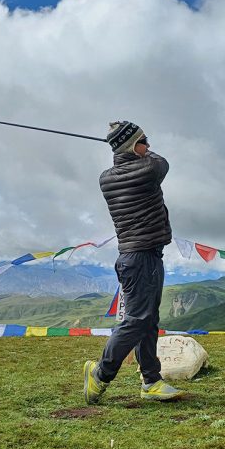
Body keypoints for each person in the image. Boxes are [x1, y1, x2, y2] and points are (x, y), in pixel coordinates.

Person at [83, 121, 184, 403]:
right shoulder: (149, 168)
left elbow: (143, 157)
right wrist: (133, 144)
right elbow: (161, 162)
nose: (149, 146)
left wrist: (126, 142)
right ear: (131, 145)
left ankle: (151, 381)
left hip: (136, 256)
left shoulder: (107, 177)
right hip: (142, 258)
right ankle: (100, 374)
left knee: (148, 321)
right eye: (144, 140)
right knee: (138, 321)